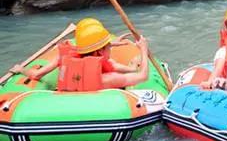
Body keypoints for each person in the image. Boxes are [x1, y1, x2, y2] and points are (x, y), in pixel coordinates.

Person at [10, 20, 150, 91]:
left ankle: (131, 67)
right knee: (112, 64)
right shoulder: (108, 79)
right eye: (108, 47)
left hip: (67, 102)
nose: (110, 48)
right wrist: (143, 49)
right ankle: (132, 67)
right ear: (100, 51)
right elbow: (143, 76)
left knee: (110, 63)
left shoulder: (63, 58)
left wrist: (21, 70)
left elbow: (36, 75)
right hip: (99, 114)